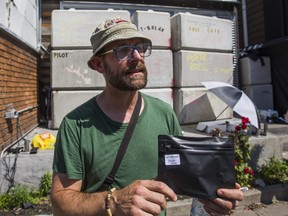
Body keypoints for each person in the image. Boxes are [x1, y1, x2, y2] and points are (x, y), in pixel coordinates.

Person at [51, 17, 243, 216]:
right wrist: (113, 202)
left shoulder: (164, 113)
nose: (137, 56)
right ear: (99, 64)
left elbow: (187, 177)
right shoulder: (75, 125)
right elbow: (60, 202)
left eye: (139, 47)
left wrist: (214, 197)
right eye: (123, 50)